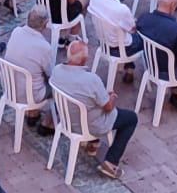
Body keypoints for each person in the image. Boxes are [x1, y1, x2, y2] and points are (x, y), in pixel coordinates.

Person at [51, 40, 140, 179]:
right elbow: (108, 107)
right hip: (90, 125)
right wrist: (112, 97)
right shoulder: (91, 80)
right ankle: (110, 162)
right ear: (84, 60)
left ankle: (92, 144)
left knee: (90, 105)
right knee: (131, 118)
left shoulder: (57, 70)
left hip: (67, 119)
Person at [2, 6, 57, 134]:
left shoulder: (16, 32)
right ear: (45, 24)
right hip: (31, 95)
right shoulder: (44, 47)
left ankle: (33, 114)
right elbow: (52, 76)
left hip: (10, 88)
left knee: (34, 74)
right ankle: (48, 123)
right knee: (62, 86)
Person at [85, 0, 141, 76]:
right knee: (143, 34)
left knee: (123, 33)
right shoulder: (121, 9)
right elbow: (133, 29)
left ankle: (129, 68)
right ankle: (131, 69)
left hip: (103, 43)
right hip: (122, 49)